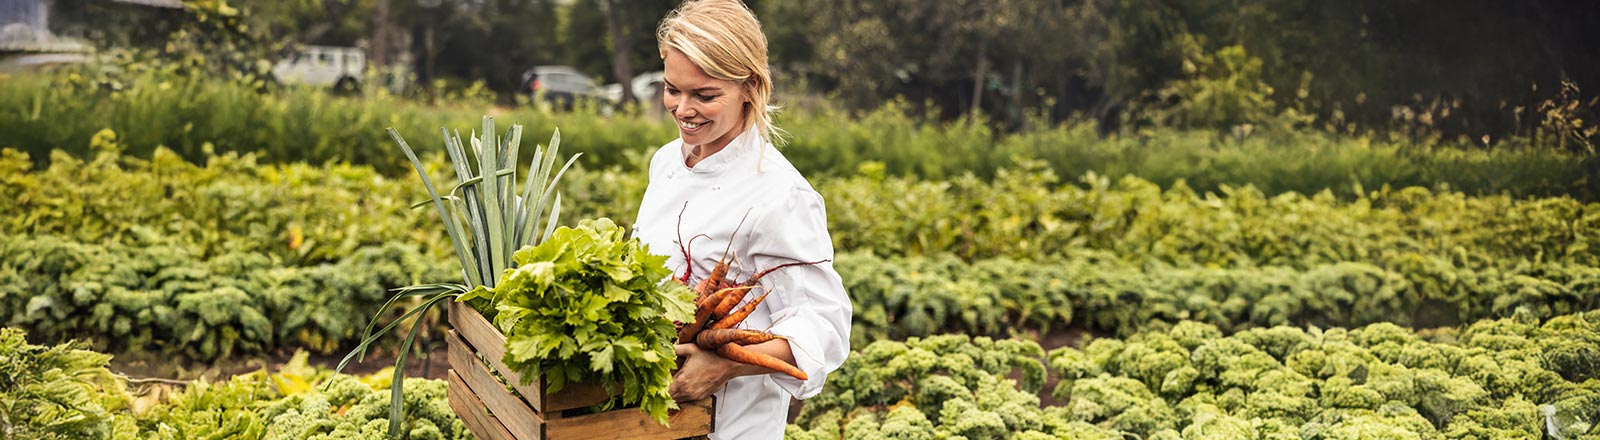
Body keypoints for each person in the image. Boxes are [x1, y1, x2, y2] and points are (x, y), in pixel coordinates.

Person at [631, 0, 852, 438]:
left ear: (749, 86)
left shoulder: (779, 195)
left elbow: (825, 327)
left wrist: (725, 365)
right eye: (673, 89)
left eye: (705, 95)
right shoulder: (666, 162)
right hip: (651, 417)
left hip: (730, 424)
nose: (682, 109)